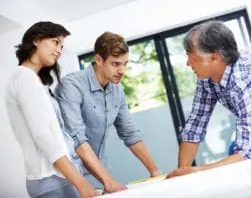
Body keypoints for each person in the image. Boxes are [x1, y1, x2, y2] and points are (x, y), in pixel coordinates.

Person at [167, 20, 251, 178]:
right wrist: (181, 175)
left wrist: (196, 171)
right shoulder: (207, 78)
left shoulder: (247, 80)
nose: (188, 64)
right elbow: (194, 128)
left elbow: (248, 155)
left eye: (194, 59)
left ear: (215, 58)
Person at [55, 31, 160, 192]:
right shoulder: (72, 86)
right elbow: (77, 139)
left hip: (101, 174)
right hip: (72, 179)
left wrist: (154, 171)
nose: (122, 70)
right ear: (98, 59)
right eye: (116, 64)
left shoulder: (116, 90)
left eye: (125, 63)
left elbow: (130, 133)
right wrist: (108, 181)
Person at [5, 21, 99, 198]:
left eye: (62, 46)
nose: (59, 50)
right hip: (51, 181)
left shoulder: (32, 80)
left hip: (57, 179)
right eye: (56, 42)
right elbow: (45, 137)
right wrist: (81, 183)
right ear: (36, 40)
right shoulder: (25, 77)